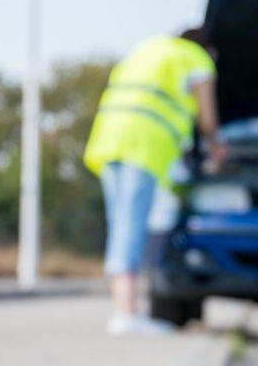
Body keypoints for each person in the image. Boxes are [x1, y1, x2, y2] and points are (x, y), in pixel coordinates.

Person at [84, 28, 226, 334]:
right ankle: (127, 314)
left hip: (110, 135)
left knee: (120, 221)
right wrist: (217, 146)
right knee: (132, 225)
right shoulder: (197, 57)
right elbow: (208, 118)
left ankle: (122, 308)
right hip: (145, 143)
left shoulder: (147, 49)